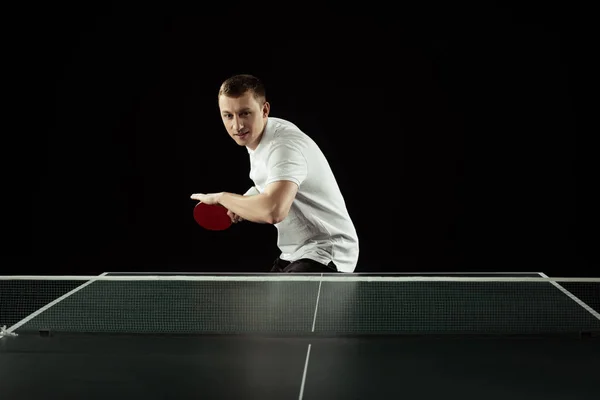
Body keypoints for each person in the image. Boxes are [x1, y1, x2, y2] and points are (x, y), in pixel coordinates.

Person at [190, 74, 359, 273]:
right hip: (294, 253)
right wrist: (244, 203)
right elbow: (272, 185)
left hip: (327, 251)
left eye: (245, 113)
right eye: (228, 115)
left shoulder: (284, 146)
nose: (237, 125)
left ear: (264, 110)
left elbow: (274, 210)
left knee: (288, 305)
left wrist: (223, 198)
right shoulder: (259, 137)